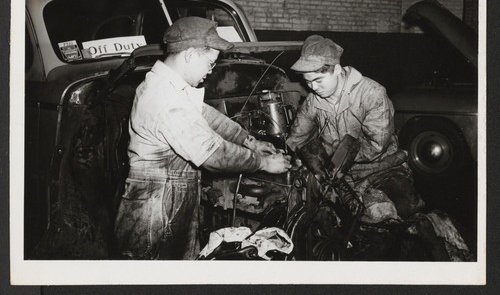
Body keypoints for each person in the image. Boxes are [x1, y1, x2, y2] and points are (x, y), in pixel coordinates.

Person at [114, 16, 291, 260]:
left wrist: (250, 141)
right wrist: (264, 163)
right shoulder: (164, 98)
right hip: (155, 209)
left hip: (169, 197)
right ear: (189, 55)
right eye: (209, 62)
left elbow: (208, 116)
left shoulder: (173, 87)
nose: (211, 71)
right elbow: (213, 155)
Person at [286, 35, 425, 222]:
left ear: (336, 69)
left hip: (381, 168)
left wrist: (331, 152)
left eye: (318, 80)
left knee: (402, 215)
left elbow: (376, 145)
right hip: (338, 176)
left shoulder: (371, 93)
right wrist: (302, 159)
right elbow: (297, 138)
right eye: (307, 81)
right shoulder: (313, 101)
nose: (313, 87)